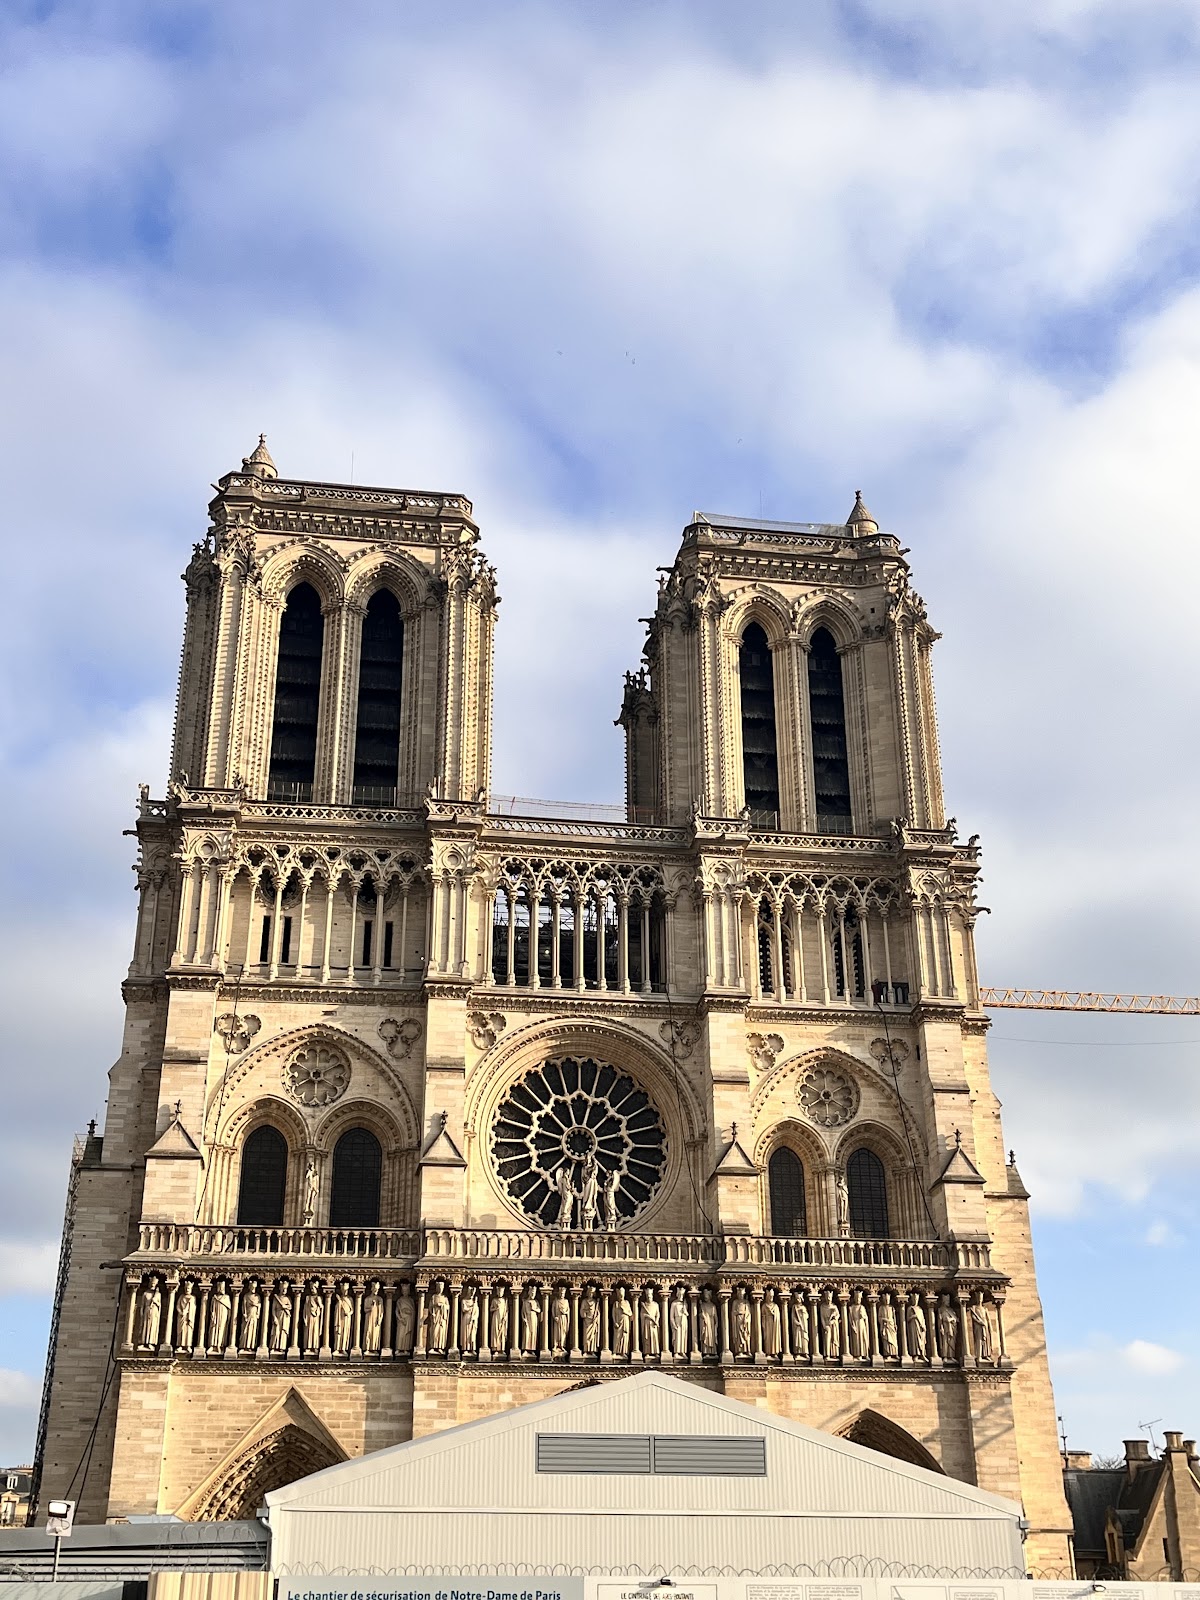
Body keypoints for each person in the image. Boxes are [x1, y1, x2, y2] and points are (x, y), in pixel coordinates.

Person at [138, 1275, 162, 1349]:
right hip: (147, 1310)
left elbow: (159, 1305)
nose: (152, 1284)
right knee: (145, 1326)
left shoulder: (158, 1294)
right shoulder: (145, 1293)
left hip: (154, 1311)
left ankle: (150, 1343)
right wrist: (141, 1313)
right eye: (151, 1283)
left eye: (154, 1283)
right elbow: (142, 1305)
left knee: (152, 1327)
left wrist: (155, 1302)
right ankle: (142, 1342)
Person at [669, 1286, 689, 1357]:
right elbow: (671, 1316)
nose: (681, 1296)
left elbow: (687, 1314)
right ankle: (676, 1352)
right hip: (677, 1321)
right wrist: (673, 1324)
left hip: (684, 1320)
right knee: (677, 1336)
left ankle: (683, 1351)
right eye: (680, 1294)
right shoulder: (674, 1303)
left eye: (682, 1295)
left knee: (683, 1336)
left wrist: (685, 1311)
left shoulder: (685, 1304)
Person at [612, 1287, 633, 1356]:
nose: (621, 1297)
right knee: (617, 1336)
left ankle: (623, 1352)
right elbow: (613, 1314)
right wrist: (615, 1322)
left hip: (625, 1321)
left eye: (622, 1295)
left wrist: (625, 1311)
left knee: (624, 1336)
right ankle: (615, 1351)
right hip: (618, 1322)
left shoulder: (627, 1303)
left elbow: (630, 1313)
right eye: (620, 1295)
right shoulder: (616, 1303)